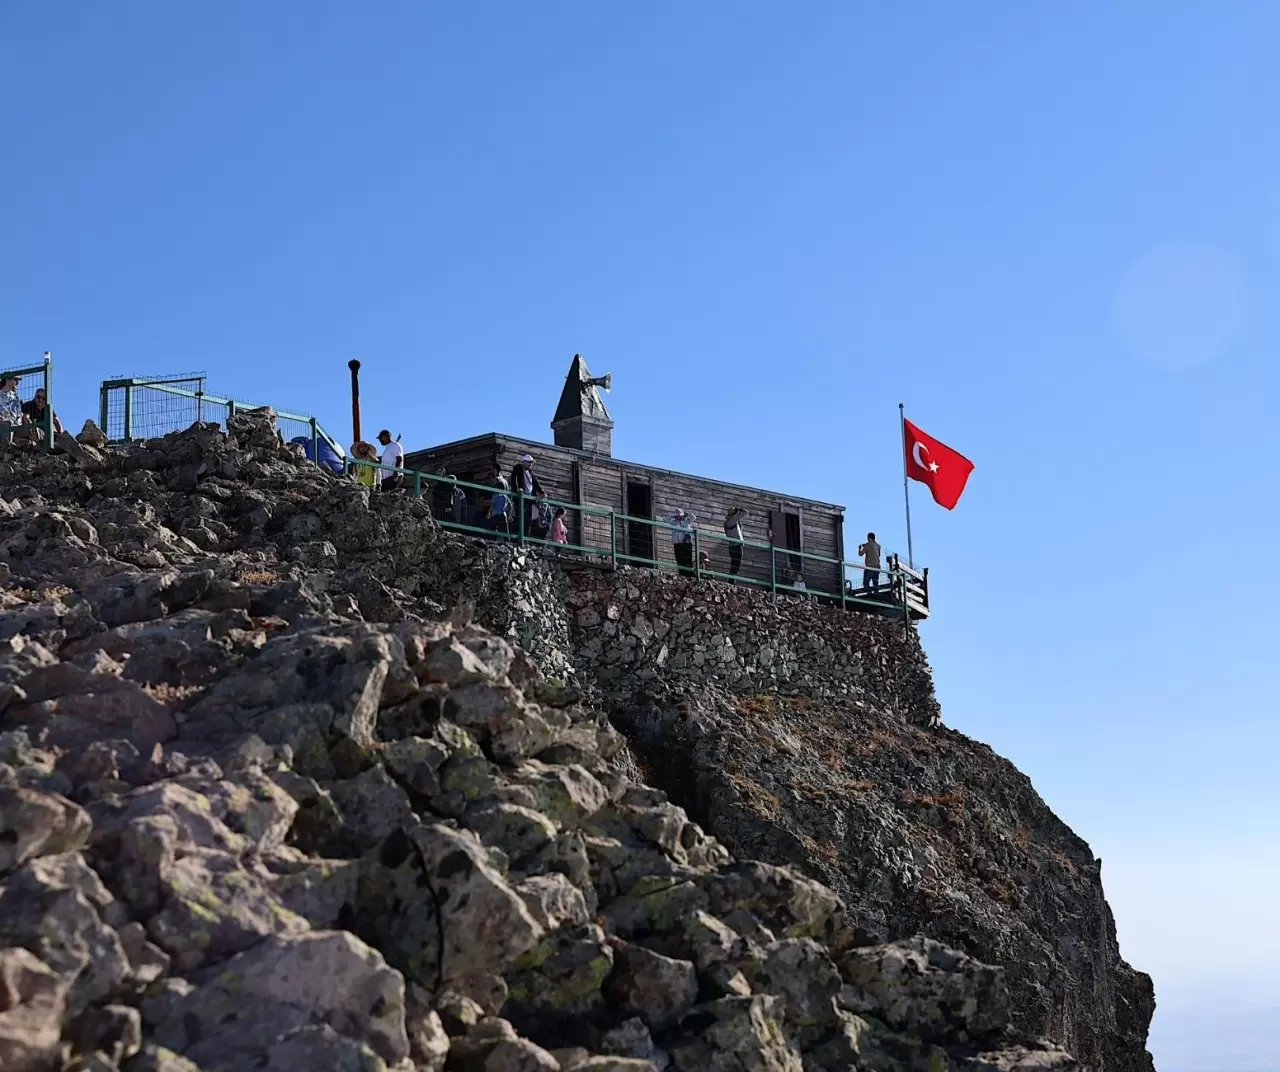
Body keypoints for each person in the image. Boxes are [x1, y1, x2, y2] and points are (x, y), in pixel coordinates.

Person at [509, 454, 544, 534]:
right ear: (524, 462)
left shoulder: (530, 472)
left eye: (531, 463)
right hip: (521, 497)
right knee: (519, 517)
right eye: (529, 462)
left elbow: (535, 483)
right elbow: (514, 478)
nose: (530, 464)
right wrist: (517, 488)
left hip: (529, 498)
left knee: (528, 519)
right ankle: (516, 537)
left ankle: (525, 537)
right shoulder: (518, 468)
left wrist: (541, 492)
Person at [664, 507, 697, 574]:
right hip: (677, 543)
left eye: (680, 516)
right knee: (679, 559)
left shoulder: (687, 521)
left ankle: (689, 573)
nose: (678, 517)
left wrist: (686, 514)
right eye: (677, 516)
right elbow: (665, 519)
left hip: (686, 543)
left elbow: (693, 517)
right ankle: (681, 573)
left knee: (687, 559)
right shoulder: (674, 522)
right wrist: (672, 515)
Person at [488, 466, 513, 535]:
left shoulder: (495, 495)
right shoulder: (506, 496)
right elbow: (511, 506)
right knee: (505, 529)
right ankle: (507, 541)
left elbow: (492, 505)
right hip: (503, 515)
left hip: (495, 514)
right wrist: (509, 515)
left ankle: (492, 539)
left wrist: (489, 513)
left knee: (492, 528)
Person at [723, 506, 747, 578]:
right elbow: (745, 512)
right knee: (735, 566)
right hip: (735, 546)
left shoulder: (731, 521)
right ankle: (731, 581)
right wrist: (738, 508)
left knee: (735, 566)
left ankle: (732, 581)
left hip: (734, 546)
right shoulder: (731, 521)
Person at [0, 377, 22, 446]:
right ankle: (6, 449)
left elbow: (19, 414)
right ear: (7, 380)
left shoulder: (16, 398)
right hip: (2, 425)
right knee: (7, 423)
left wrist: (17, 423)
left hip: (14, 426)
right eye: (15, 380)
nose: (18, 383)